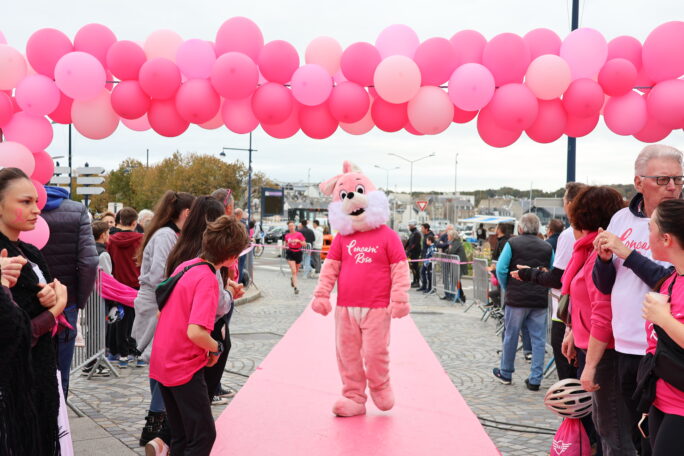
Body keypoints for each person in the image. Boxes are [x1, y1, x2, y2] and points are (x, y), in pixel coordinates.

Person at [592, 144, 683, 455]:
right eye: (663, 180)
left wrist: (627, 253)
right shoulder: (621, 218)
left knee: (651, 441)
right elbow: (605, 285)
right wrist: (604, 260)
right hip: (620, 343)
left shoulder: (680, 223)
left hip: (662, 352)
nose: (673, 186)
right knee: (616, 432)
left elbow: (669, 280)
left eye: (678, 179)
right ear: (638, 182)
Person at [149, 215, 249, 456]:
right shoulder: (207, 279)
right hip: (182, 365)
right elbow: (195, 331)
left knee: (181, 435)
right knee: (203, 436)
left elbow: (163, 312)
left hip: (163, 360)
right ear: (233, 256)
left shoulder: (188, 265)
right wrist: (216, 347)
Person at [0, 167, 68, 455]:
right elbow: (15, 331)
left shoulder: (31, 252)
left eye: (36, 202)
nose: (36, 210)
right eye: (24, 202)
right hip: (12, 386)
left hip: (38, 376)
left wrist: (50, 297)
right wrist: (55, 309)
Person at [166, 196, 243, 407]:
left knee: (182, 403)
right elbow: (216, 302)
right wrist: (228, 293)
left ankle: (163, 434)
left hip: (178, 333)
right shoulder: (205, 261)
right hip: (200, 332)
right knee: (198, 413)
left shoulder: (181, 248)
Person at [132, 191, 194, 450]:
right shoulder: (166, 235)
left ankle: (158, 419)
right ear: (187, 213)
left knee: (161, 360)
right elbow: (160, 273)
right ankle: (156, 423)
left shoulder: (168, 234)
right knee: (161, 361)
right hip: (158, 300)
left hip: (159, 299)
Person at [41, 185, 99, 397]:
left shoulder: (16, 206)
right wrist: (78, 300)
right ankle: (59, 424)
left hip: (22, 298)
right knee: (60, 369)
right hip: (66, 301)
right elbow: (89, 263)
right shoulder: (76, 210)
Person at [640, 199, 684, 455]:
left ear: (666, 238)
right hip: (660, 399)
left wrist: (664, 319)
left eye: (651, 228)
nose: (648, 234)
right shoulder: (672, 277)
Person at [494, 213, 554, 390]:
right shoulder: (547, 247)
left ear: (520, 228)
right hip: (539, 298)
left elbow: (501, 268)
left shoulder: (512, 243)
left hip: (516, 298)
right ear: (538, 229)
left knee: (511, 335)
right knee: (538, 339)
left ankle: (506, 372)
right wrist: (545, 288)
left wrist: (508, 287)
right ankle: (535, 379)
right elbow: (552, 272)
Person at [107, 207, 143, 368]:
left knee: (121, 319)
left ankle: (122, 355)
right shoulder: (141, 239)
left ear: (120, 221)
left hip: (118, 284)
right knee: (138, 321)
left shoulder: (111, 240)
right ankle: (137, 352)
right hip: (137, 284)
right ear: (134, 222)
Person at [445, 229, 468, 302]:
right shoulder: (453, 242)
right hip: (456, 265)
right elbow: (447, 251)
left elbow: (451, 251)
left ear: (452, 236)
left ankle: (460, 296)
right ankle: (460, 296)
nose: (447, 237)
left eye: (448, 236)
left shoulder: (456, 243)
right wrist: (449, 249)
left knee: (457, 280)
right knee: (456, 280)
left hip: (459, 265)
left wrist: (449, 249)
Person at [284, 220, 306, 294]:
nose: (291, 227)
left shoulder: (299, 234)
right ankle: (296, 288)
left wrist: (299, 241)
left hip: (298, 252)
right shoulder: (287, 235)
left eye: (292, 226)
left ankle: (293, 279)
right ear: (288, 227)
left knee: (296, 271)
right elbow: (286, 244)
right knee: (293, 270)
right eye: (290, 226)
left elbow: (304, 244)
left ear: (295, 226)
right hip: (290, 252)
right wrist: (285, 246)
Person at [406, 222, 421, 287]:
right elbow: (409, 242)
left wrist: (410, 250)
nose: (409, 227)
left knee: (415, 267)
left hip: (415, 252)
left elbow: (416, 244)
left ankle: (417, 281)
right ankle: (414, 280)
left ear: (412, 226)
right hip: (411, 252)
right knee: (412, 267)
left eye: (409, 226)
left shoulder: (417, 233)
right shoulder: (412, 233)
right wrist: (405, 248)